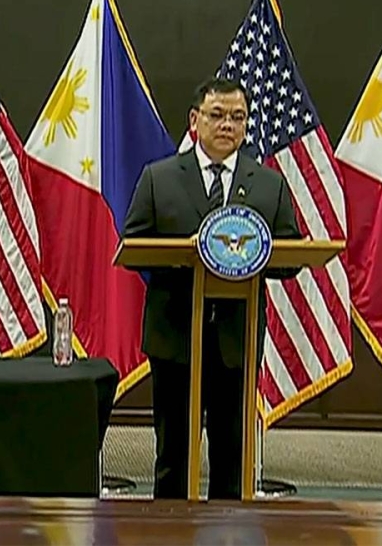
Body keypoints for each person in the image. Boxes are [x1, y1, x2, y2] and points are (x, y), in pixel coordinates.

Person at [122, 77, 301, 500]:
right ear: (195, 120)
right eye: (217, 115)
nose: (227, 125)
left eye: (237, 117)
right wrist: (188, 255)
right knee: (173, 457)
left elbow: (291, 255)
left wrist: (253, 254)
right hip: (176, 339)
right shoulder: (159, 178)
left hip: (235, 342)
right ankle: (168, 536)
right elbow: (132, 247)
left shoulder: (268, 184)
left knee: (230, 457)